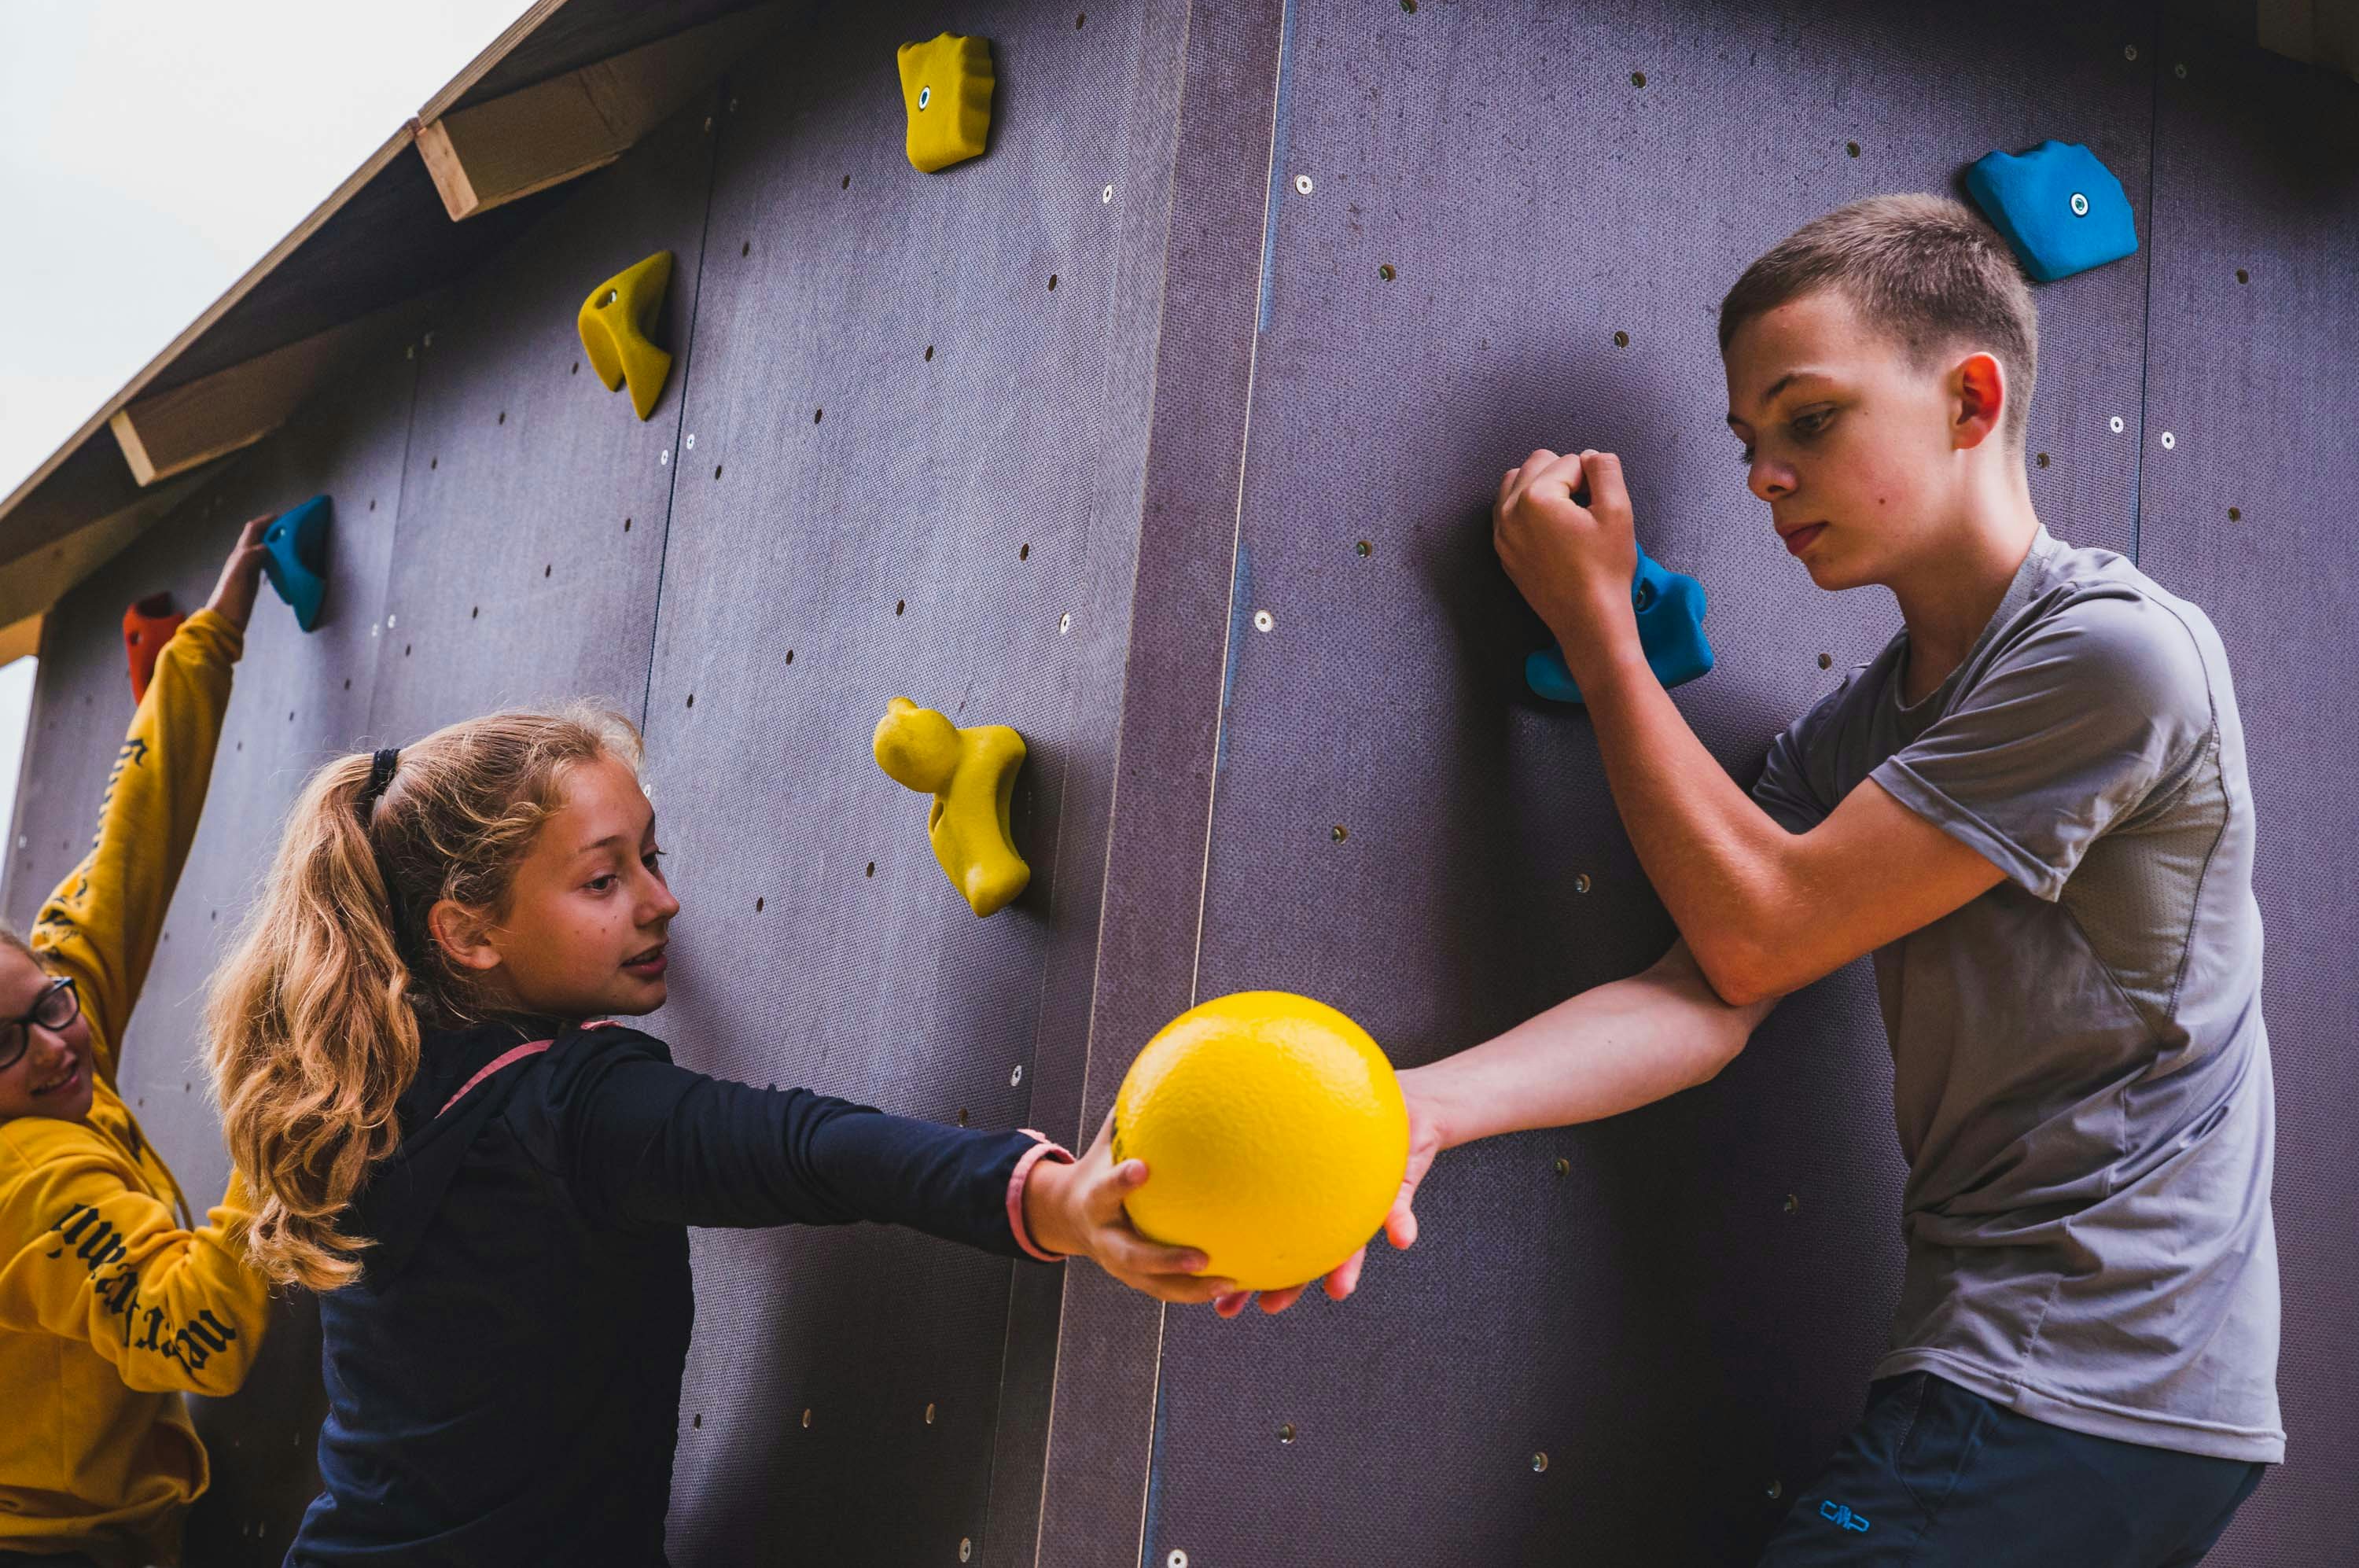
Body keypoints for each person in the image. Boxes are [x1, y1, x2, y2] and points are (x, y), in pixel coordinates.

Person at [1240, 195, 2281, 1566]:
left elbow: (1758, 932)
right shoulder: (1859, 738)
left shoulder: (2116, 654)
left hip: (2081, 1368)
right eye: (1747, 443)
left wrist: (1600, 627)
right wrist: (1413, 1109)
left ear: (1971, 402)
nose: (1765, 478)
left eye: (1810, 421)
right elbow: (1703, 998)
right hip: (2038, 1374)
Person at [205, 705, 1217, 1567]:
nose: (663, 901)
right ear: (468, 933)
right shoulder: (571, 1109)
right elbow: (804, 1148)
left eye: (650, 858)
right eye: (603, 882)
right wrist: (1054, 1197)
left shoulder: (370, 1095)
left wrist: (596, 929)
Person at [0, 521, 278, 1568]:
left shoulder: (52, 1014)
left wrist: (207, 643)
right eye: (3, 1045)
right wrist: (280, 1100)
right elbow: (204, 1332)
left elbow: (131, 841)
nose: (52, 1047)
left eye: (49, 1004)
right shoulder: (29, 1184)